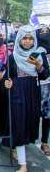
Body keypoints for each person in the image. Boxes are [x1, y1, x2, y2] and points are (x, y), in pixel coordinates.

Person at [3, 25, 49, 172]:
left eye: (30, 38)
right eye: (24, 38)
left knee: (29, 123)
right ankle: (23, 165)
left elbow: (45, 75)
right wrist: (7, 82)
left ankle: (18, 151)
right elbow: (7, 76)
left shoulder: (39, 54)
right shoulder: (13, 56)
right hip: (17, 92)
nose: (28, 41)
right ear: (19, 39)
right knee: (20, 124)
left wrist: (38, 65)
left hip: (33, 93)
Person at [37, 25, 50, 156]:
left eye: (47, 31)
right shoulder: (36, 49)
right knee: (34, 113)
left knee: (48, 115)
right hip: (39, 84)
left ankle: (44, 142)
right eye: (42, 32)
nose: (45, 34)